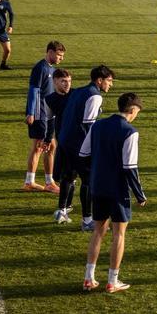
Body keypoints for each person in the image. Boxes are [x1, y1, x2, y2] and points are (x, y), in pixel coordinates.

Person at [80, 92, 146, 293]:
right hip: (118, 189)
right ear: (133, 110)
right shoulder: (130, 132)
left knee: (98, 231)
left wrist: (95, 173)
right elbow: (130, 167)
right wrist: (139, 194)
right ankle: (112, 280)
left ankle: (88, 277)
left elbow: (83, 154)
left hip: (98, 186)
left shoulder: (98, 125)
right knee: (119, 234)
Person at [57, 65, 115, 231]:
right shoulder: (95, 96)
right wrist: (94, 147)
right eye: (109, 81)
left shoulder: (78, 91)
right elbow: (88, 125)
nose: (110, 84)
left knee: (68, 176)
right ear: (99, 80)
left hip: (65, 140)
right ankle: (87, 220)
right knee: (88, 181)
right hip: (79, 144)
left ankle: (61, 211)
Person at [24, 40, 66, 193]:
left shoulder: (51, 69)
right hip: (39, 113)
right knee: (38, 146)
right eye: (59, 55)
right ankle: (30, 181)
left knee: (51, 146)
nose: (61, 58)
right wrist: (31, 113)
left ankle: (49, 182)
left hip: (48, 114)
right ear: (50, 52)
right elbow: (33, 90)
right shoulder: (40, 68)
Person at [44, 69, 75, 222]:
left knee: (71, 176)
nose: (67, 84)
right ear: (55, 81)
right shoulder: (49, 99)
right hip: (63, 141)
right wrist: (48, 139)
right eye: (63, 81)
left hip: (80, 141)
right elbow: (49, 119)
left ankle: (65, 208)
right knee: (64, 176)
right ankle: (65, 207)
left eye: (69, 81)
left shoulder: (76, 94)